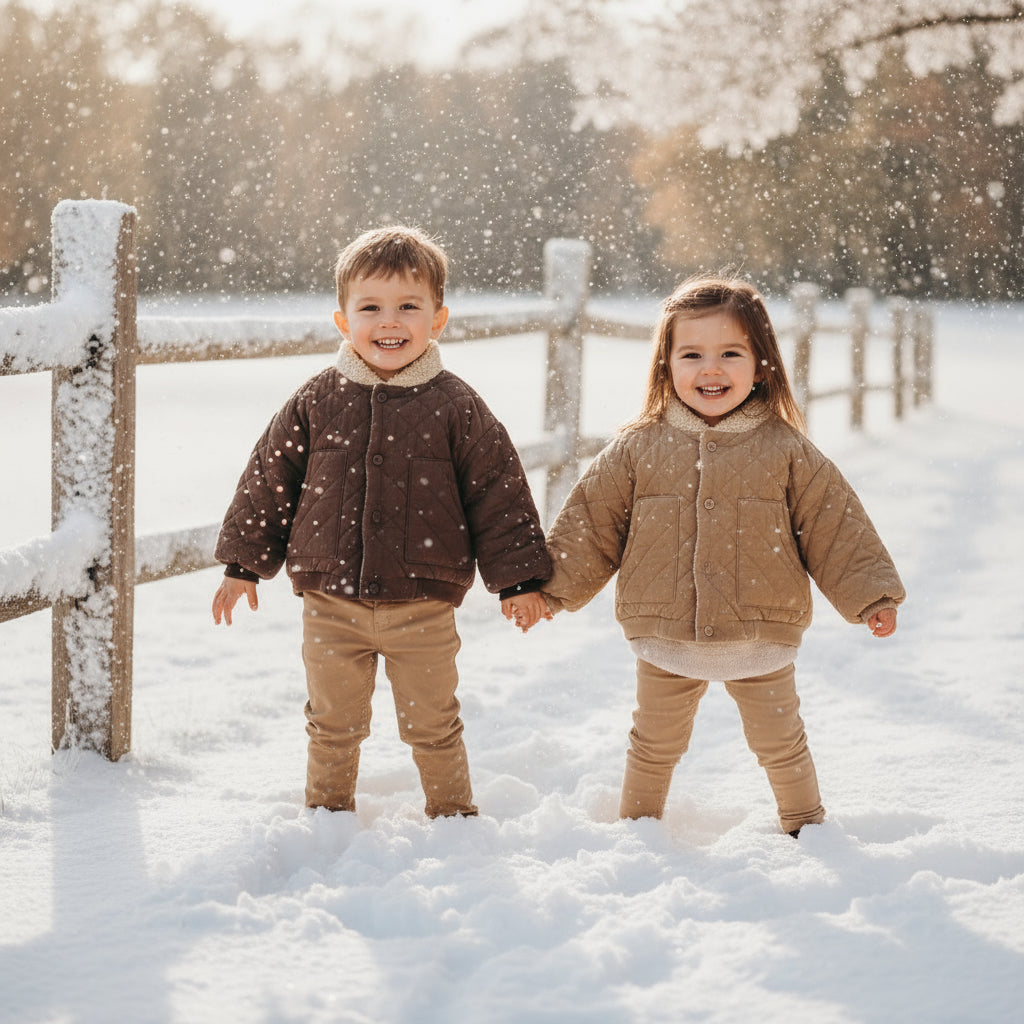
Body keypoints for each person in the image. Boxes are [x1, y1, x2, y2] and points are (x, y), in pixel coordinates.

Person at [533, 275, 905, 836]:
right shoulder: (637, 448)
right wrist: (550, 591)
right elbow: (591, 526)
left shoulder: (785, 449)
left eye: (731, 353)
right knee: (653, 742)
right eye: (692, 354)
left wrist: (870, 594)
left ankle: (807, 828)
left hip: (761, 634)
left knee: (780, 742)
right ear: (666, 365)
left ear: (761, 366)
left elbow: (833, 526)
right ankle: (637, 828)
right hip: (665, 632)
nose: (712, 368)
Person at [212, 225, 551, 818]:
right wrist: (243, 565)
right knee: (332, 723)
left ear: (437, 319)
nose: (388, 322)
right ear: (343, 321)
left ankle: (453, 818)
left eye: (407, 307)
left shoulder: (455, 405)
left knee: (434, 723)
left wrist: (518, 580)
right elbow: (270, 480)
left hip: (422, 604)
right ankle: (327, 817)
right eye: (370, 307)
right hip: (330, 603)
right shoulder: (316, 400)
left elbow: (497, 492)